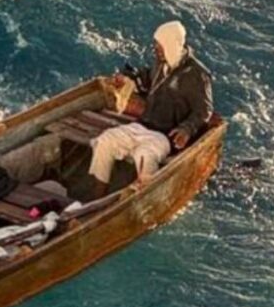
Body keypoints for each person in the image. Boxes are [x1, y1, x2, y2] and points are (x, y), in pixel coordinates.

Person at [89, 20, 213, 198]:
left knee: (144, 156)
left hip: (164, 135)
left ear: (171, 44)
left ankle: (143, 200)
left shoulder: (197, 75)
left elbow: (204, 111)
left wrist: (186, 129)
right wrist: (126, 80)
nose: (156, 48)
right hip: (142, 125)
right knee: (104, 141)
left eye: (159, 45)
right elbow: (147, 79)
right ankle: (96, 197)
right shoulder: (162, 63)